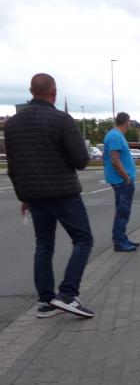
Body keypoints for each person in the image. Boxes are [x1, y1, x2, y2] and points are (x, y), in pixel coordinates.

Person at [4, 73, 95, 318]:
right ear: (53, 92)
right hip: (63, 193)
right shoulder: (61, 120)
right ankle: (67, 294)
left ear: (31, 92)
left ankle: (46, 301)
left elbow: (13, 166)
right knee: (83, 239)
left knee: (44, 245)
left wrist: (24, 196)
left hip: (34, 196)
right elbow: (80, 160)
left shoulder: (12, 125)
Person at [103, 112, 139, 252]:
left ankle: (122, 238)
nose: (130, 124)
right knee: (122, 212)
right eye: (129, 122)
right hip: (121, 181)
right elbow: (115, 161)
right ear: (126, 122)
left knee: (123, 212)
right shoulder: (115, 136)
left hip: (121, 181)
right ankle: (119, 241)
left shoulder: (115, 135)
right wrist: (126, 177)